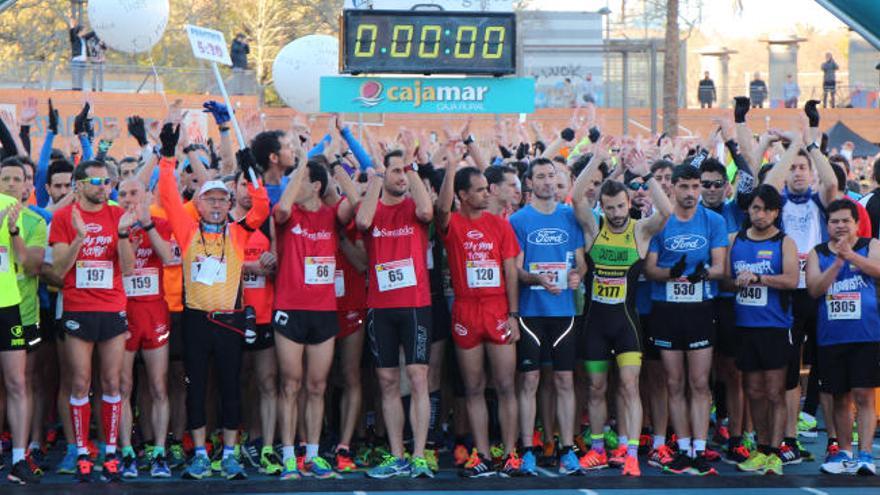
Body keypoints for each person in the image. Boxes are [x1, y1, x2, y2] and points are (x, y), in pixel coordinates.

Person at [156, 124, 269, 481]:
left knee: (232, 386)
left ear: (230, 203)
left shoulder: (238, 232)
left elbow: (262, 205)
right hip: (195, 320)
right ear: (199, 204)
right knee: (198, 388)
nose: (218, 204)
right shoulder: (188, 230)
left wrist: (251, 171)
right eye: (211, 199)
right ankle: (201, 454)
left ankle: (231, 454)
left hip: (229, 321)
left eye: (223, 199)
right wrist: (167, 155)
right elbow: (168, 196)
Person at [573, 147, 672, 477]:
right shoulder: (594, 228)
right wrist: (595, 159)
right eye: (610, 207)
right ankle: (599, 449)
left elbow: (666, 211)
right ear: (602, 207)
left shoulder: (639, 231)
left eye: (620, 206)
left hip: (626, 323)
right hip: (596, 323)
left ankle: (630, 452)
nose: (616, 213)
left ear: (629, 204)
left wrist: (646, 175)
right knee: (597, 388)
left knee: (629, 386)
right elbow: (575, 197)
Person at [49, 159, 135, 482]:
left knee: (112, 382)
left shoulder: (117, 216)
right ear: (79, 184)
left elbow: (127, 268)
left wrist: (124, 233)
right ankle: (82, 451)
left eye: (107, 182)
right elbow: (57, 270)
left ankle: (110, 451)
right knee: (80, 381)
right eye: (97, 181)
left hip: (112, 307)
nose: (104, 187)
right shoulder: (63, 217)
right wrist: (79, 239)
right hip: (78, 307)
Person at [762, 101, 837, 465]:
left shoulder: (820, 201)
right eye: (792, 169)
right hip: (787, 294)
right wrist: (792, 147)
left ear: (811, 173)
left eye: (803, 169)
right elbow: (768, 184)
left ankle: (828, 430)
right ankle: (788, 435)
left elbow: (833, 182)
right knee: (790, 366)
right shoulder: (777, 204)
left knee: (826, 361)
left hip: (818, 290)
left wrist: (811, 144)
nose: (797, 173)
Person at [272, 155, 355, 479]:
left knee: (317, 385)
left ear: (317, 186)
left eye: (301, 180)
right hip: (290, 309)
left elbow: (356, 201)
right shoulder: (287, 214)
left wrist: (335, 166)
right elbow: (281, 206)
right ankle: (290, 456)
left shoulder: (332, 215)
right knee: (290, 384)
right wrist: (298, 169)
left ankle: (313, 454)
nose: (292, 185)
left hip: (323, 311)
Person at [437, 162, 521, 477]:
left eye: (487, 188)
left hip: (497, 308)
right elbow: (441, 210)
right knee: (472, 387)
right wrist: (448, 168)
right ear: (462, 195)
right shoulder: (452, 223)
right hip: (465, 310)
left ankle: (510, 453)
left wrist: (513, 315)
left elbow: (510, 271)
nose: (487, 194)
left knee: (505, 385)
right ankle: (482, 454)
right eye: (480, 190)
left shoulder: (499, 224)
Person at [644, 164, 728, 476]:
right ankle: (681, 448)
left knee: (699, 382)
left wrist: (702, 273)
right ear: (673, 188)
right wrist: (671, 273)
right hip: (666, 309)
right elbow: (650, 270)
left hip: (700, 308)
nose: (692, 193)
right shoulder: (661, 222)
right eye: (685, 187)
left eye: (696, 187)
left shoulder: (713, 221)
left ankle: (699, 446)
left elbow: (721, 267)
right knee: (674, 382)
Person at [355, 147, 434, 479]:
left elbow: (429, 213)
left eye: (405, 171)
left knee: (417, 378)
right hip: (381, 306)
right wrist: (374, 175)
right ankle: (397, 454)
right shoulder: (372, 208)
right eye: (396, 171)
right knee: (387, 381)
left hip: (415, 304)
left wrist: (413, 167)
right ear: (384, 175)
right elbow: (362, 221)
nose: (402, 176)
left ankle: (418, 455)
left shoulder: (414, 207)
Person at [509, 158, 585, 476]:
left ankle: (567, 449)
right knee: (530, 380)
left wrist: (577, 276)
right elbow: (516, 269)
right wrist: (538, 279)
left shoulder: (570, 217)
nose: (547, 182)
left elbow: (581, 263)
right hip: (531, 313)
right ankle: (528, 449)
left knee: (565, 380)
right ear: (530, 183)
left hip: (564, 313)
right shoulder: (519, 220)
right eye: (540, 177)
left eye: (551, 176)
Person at [727, 185, 799, 476]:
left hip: (775, 326)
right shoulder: (736, 240)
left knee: (774, 392)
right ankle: (761, 448)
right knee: (753, 391)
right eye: (756, 208)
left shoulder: (785, 242)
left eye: (767, 209)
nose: (760, 214)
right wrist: (737, 281)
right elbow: (724, 282)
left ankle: (775, 450)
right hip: (745, 326)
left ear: (776, 212)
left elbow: (792, 280)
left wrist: (759, 277)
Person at [807, 200, 880, 476]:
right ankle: (844, 452)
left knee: (864, 395)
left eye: (845, 221)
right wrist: (838, 263)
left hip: (865, 334)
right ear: (827, 226)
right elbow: (814, 289)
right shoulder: (817, 253)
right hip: (831, 336)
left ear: (856, 224)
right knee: (839, 396)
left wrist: (852, 256)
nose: (840, 226)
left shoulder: (870, 245)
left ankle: (865, 454)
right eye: (834, 221)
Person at [114, 178, 174, 479]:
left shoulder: (159, 224)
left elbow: (169, 258)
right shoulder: (113, 223)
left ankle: (160, 451)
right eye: (122, 193)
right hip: (123, 312)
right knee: (123, 387)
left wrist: (148, 226)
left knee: (158, 386)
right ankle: (126, 452)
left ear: (147, 195)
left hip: (154, 312)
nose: (128, 198)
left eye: (134, 192)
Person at [234, 170, 282, 477]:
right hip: (233, 315)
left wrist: (273, 262)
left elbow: (279, 261)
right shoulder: (224, 221)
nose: (248, 191)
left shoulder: (268, 220)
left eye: (253, 186)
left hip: (264, 313)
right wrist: (249, 265)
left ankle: (263, 443)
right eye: (242, 184)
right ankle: (234, 441)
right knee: (236, 382)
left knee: (266, 381)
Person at [0, 160, 41, 485]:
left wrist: (13, 231)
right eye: (6, 178)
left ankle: (18, 459)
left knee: (17, 382)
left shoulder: (27, 218)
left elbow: (27, 264)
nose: (12, 183)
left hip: (10, 306)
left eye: (18, 179)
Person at [68, 16, 87, 91]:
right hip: (76, 61)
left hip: (83, 62)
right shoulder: (75, 39)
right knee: (76, 78)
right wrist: (72, 26)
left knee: (81, 78)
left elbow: (92, 34)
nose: (85, 32)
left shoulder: (84, 39)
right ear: (80, 31)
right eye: (84, 30)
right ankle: (75, 93)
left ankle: (80, 92)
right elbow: (72, 34)